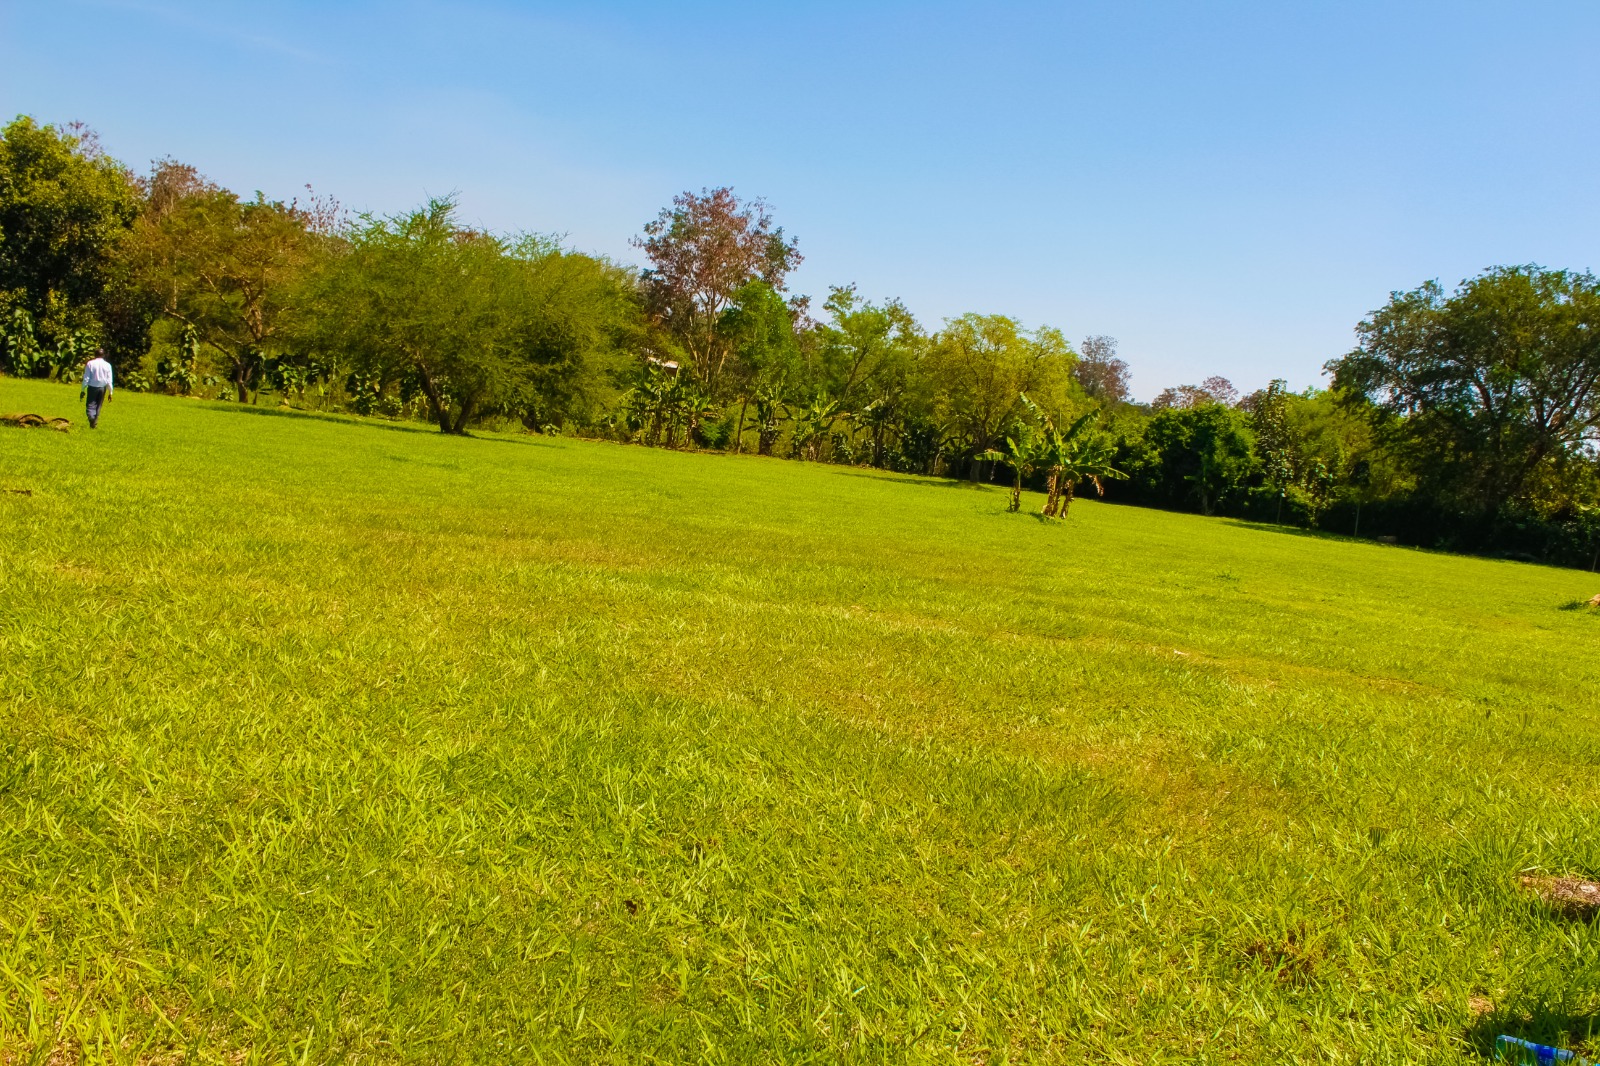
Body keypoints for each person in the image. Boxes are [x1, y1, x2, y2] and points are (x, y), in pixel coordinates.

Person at [80, 348, 114, 429]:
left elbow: (86, 378)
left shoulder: (90, 364)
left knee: (90, 406)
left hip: (92, 387)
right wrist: (110, 392)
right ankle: (94, 422)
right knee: (98, 406)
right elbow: (109, 380)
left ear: (95, 354)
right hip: (102, 388)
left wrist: (83, 389)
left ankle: (92, 419)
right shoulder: (108, 365)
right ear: (103, 355)